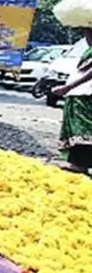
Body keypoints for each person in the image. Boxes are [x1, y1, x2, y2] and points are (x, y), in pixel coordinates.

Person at [53, 28, 92, 174]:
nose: (86, 37)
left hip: (86, 94)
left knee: (83, 130)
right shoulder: (89, 50)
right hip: (79, 93)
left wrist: (69, 87)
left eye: (88, 33)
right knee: (77, 130)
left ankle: (80, 164)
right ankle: (76, 162)